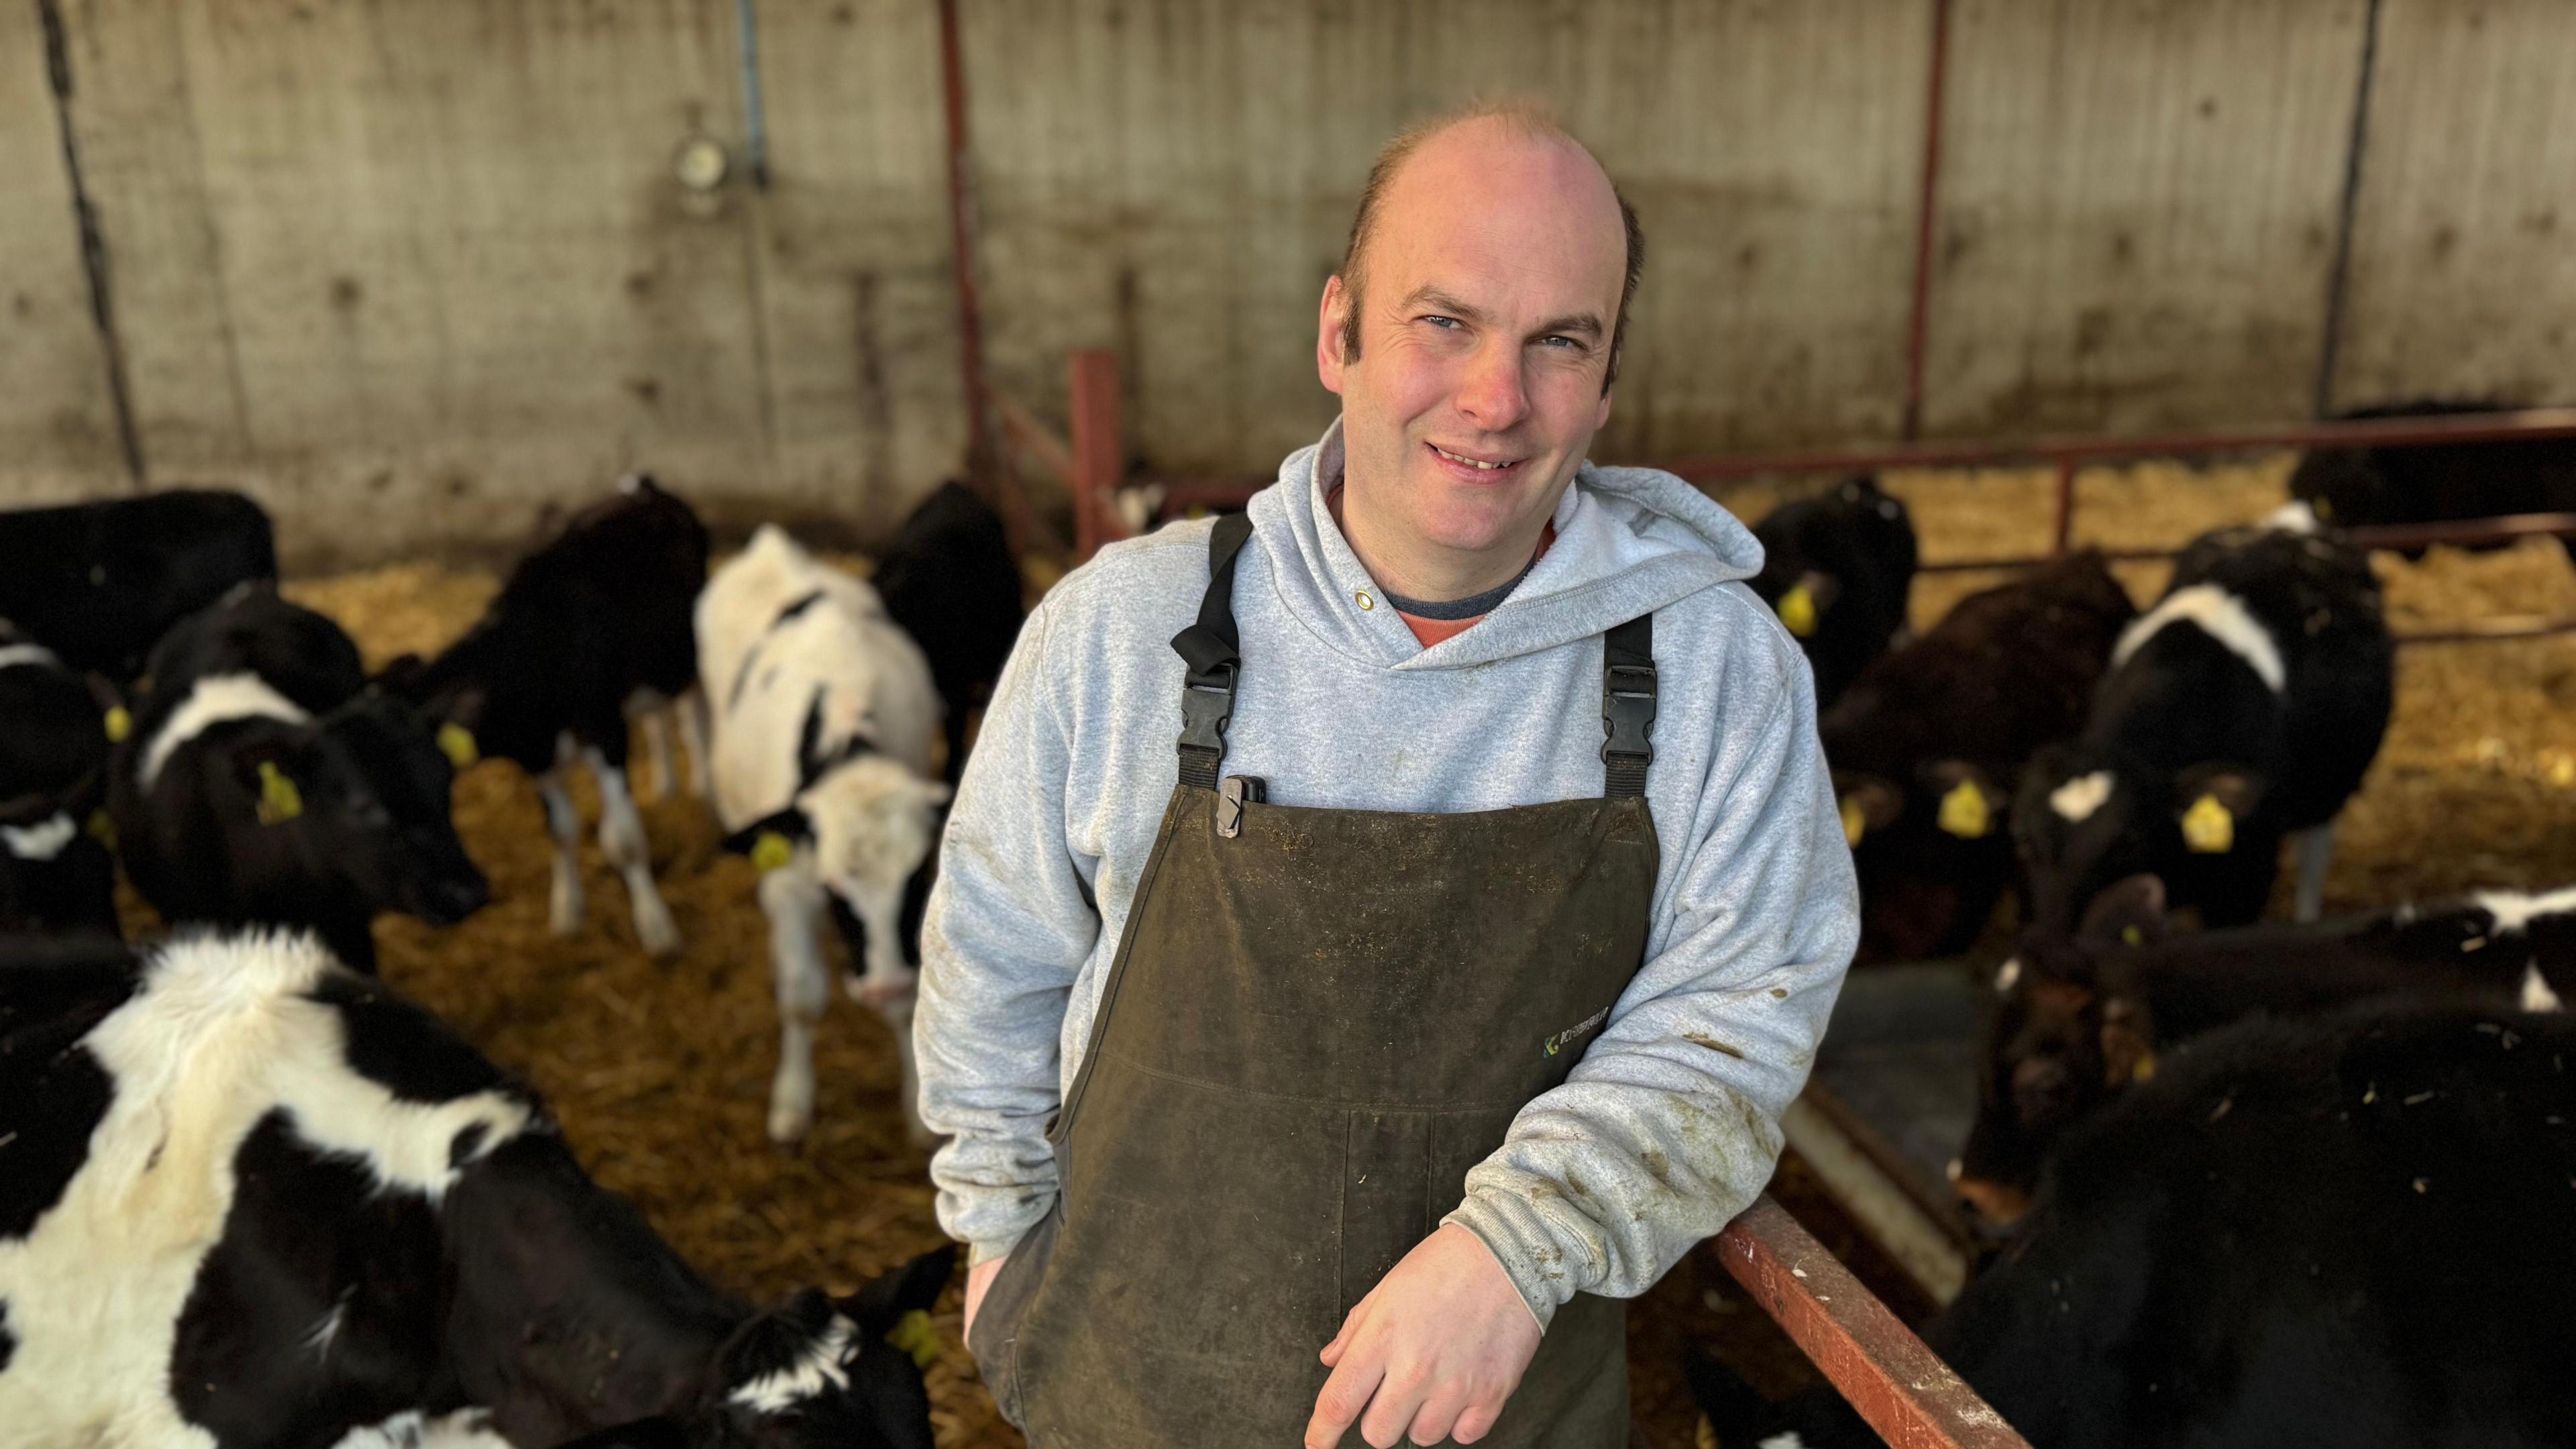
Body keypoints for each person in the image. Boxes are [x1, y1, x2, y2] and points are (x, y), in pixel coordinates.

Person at [915, 99, 1858, 1449]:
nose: (1496, 399)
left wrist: (1522, 1243)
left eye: (1557, 342)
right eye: (1445, 322)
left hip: (1496, 1417)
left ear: (1606, 381)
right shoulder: (1130, 633)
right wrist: (999, 1237)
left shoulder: (1717, 675)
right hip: (1133, 1395)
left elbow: (1740, 1012)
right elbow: (992, 960)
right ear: (1337, 332)